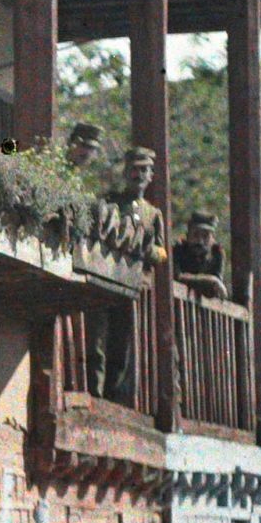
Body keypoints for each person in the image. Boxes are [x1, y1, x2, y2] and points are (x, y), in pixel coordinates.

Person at [87, 146, 168, 400]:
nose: (139, 175)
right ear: (126, 172)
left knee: (122, 344)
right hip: (108, 278)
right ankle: (95, 391)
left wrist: (147, 250)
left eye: (144, 170)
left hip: (133, 284)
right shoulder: (110, 202)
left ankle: (113, 394)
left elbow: (162, 252)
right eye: (134, 169)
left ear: (151, 175)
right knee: (97, 340)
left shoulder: (153, 214)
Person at [174, 210, 230, 300]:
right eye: (195, 235)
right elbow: (177, 277)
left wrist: (213, 282)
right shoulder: (179, 249)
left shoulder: (217, 253)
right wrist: (211, 280)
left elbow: (215, 289)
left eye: (205, 236)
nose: (200, 241)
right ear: (187, 235)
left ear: (212, 238)